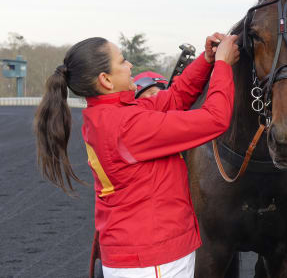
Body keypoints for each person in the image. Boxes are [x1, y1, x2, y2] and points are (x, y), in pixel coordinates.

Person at [34, 33, 239, 277]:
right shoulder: (127, 126)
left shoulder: (107, 114)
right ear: (106, 80)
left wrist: (206, 60)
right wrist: (222, 66)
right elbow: (215, 119)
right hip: (153, 259)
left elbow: (174, 97)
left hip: (137, 255)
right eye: (122, 61)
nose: (129, 65)